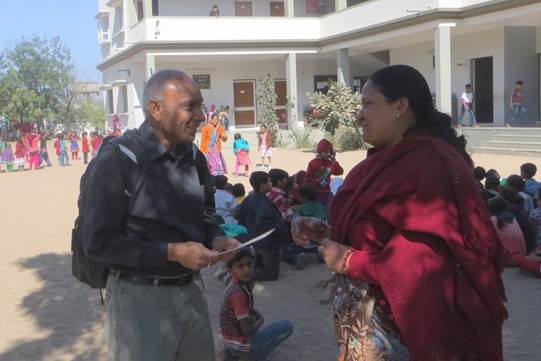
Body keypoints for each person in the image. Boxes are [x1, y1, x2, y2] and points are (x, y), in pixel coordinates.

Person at [292, 65, 507, 361]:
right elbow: (384, 232)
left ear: (400, 107)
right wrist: (327, 232)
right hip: (377, 319)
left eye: (368, 104)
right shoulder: (390, 160)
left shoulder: (426, 166)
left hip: (405, 329)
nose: (359, 115)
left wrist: (350, 261)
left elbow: (424, 260)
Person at [82, 69, 241, 361]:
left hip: (191, 293)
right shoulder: (118, 159)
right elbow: (97, 243)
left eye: (201, 105)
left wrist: (216, 238)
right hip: (140, 301)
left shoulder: (195, 158)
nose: (201, 116)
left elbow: (206, 214)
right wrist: (172, 252)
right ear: (155, 109)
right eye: (189, 107)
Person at [220, 248, 293, 361]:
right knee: (286, 326)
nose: (247, 270)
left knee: (255, 321)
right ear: (230, 269)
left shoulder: (237, 284)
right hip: (238, 343)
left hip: (230, 339)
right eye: (240, 266)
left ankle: (235, 353)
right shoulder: (238, 293)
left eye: (249, 264)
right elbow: (247, 331)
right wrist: (260, 320)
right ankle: (248, 357)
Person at [236, 171, 289, 281]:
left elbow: (238, 214)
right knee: (272, 274)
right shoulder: (265, 203)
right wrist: (280, 231)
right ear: (262, 185)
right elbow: (270, 223)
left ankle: (249, 269)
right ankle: (238, 274)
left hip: (253, 239)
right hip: (267, 242)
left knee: (259, 262)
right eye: (269, 182)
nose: (271, 184)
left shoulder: (249, 198)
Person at [488, 197, 541, 277]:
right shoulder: (512, 217)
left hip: (510, 255)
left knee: (516, 259)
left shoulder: (494, 219)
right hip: (522, 251)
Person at [305, 138, 344, 208]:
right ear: (320, 152)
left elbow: (339, 172)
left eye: (330, 152)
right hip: (316, 193)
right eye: (326, 152)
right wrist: (316, 181)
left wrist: (334, 161)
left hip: (327, 192)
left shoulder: (329, 163)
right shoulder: (313, 163)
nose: (328, 154)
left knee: (329, 210)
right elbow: (307, 179)